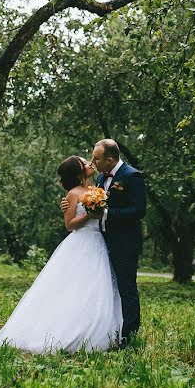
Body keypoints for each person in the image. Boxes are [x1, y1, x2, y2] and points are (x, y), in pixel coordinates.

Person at [0, 156, 123, 353]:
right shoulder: (73, 194)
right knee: (73, 287)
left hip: (98, 243)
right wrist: (90, 212)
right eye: (84, 163)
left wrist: (98, 208)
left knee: (95, 287)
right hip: (81, 243)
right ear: (79, 173)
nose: (90, 163)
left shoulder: (97, 188)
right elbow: (69, 225)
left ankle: (98, 327)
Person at [62, 139, 146, 347]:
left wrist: (106, 213)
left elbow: (138, 210)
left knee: (126, 288)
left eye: (97, 159)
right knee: (105, 289)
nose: (93, 161)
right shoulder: (100, 179)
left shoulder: (132, 176)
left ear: (110, 160)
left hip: (125, 242)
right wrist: (68, 202)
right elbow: (83, 199)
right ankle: (105, 331)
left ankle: (129, 337)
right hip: (101, 242)